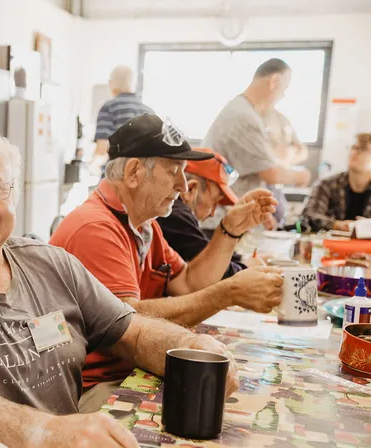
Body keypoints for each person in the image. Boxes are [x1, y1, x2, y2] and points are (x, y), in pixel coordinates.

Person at [0, 125, 238, 448]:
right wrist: (48, 433)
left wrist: (189, 348)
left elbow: (133, 331)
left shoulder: (51, 263)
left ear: (14, 191)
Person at [50, 114, 283, 412]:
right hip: (93, 385)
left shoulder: (145, 225)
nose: (183, 184)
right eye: (174, 171)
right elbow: (126, 321)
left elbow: (188, 283)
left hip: (131, 369)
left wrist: (230, 230)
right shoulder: (95, 227)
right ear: (134, 172)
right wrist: (230, 292)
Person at [202, 58, 311, 200]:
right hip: (228, 209)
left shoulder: (245, 111)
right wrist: (301, 176)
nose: (283, 95)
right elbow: (271, 173)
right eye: (285, 89)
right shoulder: (243, 117)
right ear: (274, 81)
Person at [157, 150, 266, 278]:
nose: (213, 213)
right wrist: (246, 268)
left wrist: (242, 259)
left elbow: (206, 249)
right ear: (191, 190)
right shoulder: (175, 216)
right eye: (214, 202)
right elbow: (213, 272)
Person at [90, 65, 154, 172]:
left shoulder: (109, 108)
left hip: (116, 176)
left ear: (111, 83)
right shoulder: (149, 111)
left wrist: (92, 166)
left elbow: (102, 150)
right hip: (142, 177)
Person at [303, 133, 371, 231]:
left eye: (363, 149)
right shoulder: (326, 184)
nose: (355, 152)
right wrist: (336, 225)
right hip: (328, 244)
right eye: (353, 147)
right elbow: (309, 215)